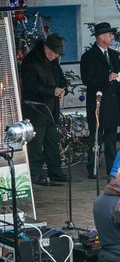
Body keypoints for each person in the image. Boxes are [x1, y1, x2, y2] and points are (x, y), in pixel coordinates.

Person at [81, 22, 120, 178]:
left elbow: (117, 77)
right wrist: (106, 78)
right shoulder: (88, 56)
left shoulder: (113, 54)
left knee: (111, 138)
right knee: (96, 137)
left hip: (112, 103)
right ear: (101, 37)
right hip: (98, 104)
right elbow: (87, 79)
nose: (112, 37)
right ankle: (93, 167)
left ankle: (112, 169)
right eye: (109, 34)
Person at [21, 33, 68, 185]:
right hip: (35, 109)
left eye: (57, 54)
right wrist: (51, 90)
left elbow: (61, 79)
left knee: (52, 141)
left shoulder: (54, 61)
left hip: (51, 109)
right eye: (53, 53)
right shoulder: (31, 60)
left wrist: (63, 89)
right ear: (46, 47)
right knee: (36, 143)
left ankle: (55, 171)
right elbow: (30, 86)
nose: (55, 56)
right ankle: (36, 174)